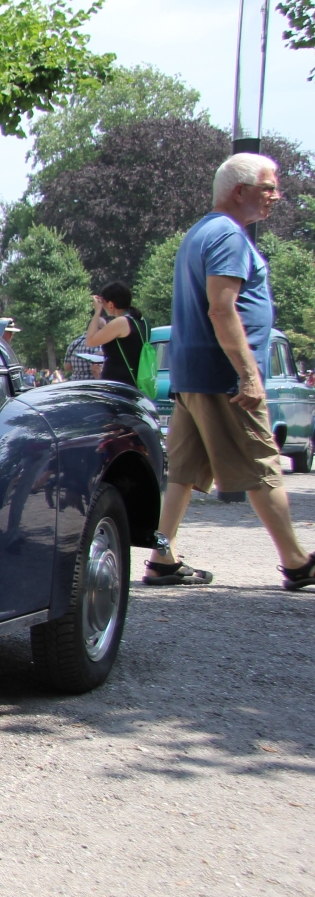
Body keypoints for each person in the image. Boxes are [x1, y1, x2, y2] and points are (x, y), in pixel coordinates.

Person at [145, 152, 315, 590]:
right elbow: (222, 309)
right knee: (262, 465)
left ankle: (162, 557)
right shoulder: (228, 237)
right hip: (224, 380)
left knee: (181, 473)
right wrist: (249, 374)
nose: (276, 195)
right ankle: (297, 563)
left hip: (193, 376)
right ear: (240, 191)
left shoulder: (199, 233)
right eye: (269, 186)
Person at [83, 282, 146, 388]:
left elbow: (90, 341)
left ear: (111, 304)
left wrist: (97, 311)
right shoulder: (140, 320)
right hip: (134, 380)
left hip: (119, 383)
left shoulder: (121, 322)